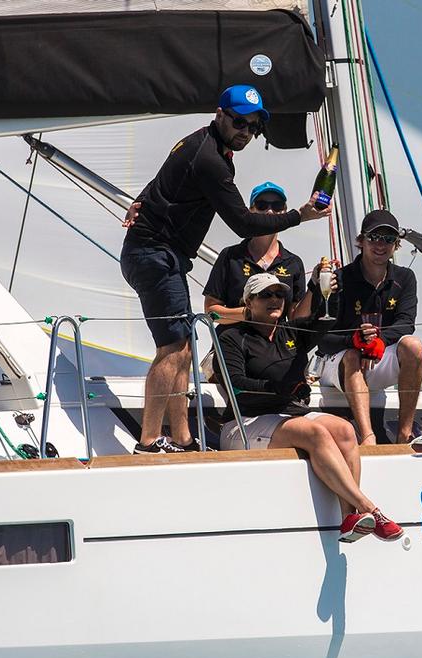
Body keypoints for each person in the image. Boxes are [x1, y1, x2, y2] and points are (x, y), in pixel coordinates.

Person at [120, 84, 330, 454]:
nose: (245, 131)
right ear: (219, 114)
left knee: (184, 346)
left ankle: (183, 439)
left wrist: (141, 200)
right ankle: (149, 440)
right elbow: (243, 223)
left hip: (162, 257)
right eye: (238, 121)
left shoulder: (204, 146)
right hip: (154, 255)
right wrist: (300, 214)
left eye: (253, 126)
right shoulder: (210, 159)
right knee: (172, 347)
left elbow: (165, 177)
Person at [219, 273, 403, 543]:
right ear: (249, 301)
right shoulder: (231, 337)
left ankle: (348, 518)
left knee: (344, 430)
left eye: (279, 294)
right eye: (265, 295)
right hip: (244, 421)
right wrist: (279, 388)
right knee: (314, 432)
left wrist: (325, 287)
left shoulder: (292, 332)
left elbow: (323, 322)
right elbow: (236, 385)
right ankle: (369, 508)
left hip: (289, 413)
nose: (274, 300)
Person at [316, 210, 422, 444]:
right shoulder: (340, 278)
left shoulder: (405, 278)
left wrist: (379, 341)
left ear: (396, 245)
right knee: (353, 355)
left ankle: (404, 434)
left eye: (388, 239)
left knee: (413, 346)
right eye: (374, 237)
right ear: (361, 240)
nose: (381, 244)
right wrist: (355, 341)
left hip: (377, 358)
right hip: (340, 364)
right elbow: (322, 338)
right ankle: (368, 437)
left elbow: (406, 324)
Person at [203, 181, 337, 328]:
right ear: (251, 211)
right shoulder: (230, 256)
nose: (270, 212)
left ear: (285, 211)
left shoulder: (293, 262)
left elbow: (295, 319)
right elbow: (210, 312)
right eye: (262, 205)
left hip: (273, 347)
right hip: (233, 344)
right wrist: (250, 312)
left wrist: (314, 286)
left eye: (277, 206)